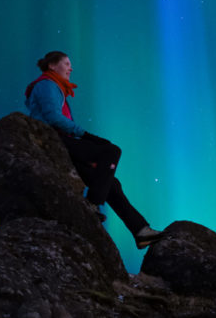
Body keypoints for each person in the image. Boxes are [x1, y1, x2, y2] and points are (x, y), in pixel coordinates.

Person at [24, 51, 160, 248]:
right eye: (66, 63)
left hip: (62, 141)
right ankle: (93, 203)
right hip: (55, 140)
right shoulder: (47, 84)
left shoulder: (55, 86)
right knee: (111, 151)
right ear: (52, 66)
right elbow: (52, 117)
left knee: (110, 182)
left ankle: (141, 231)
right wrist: (86, 135)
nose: (70, 68)